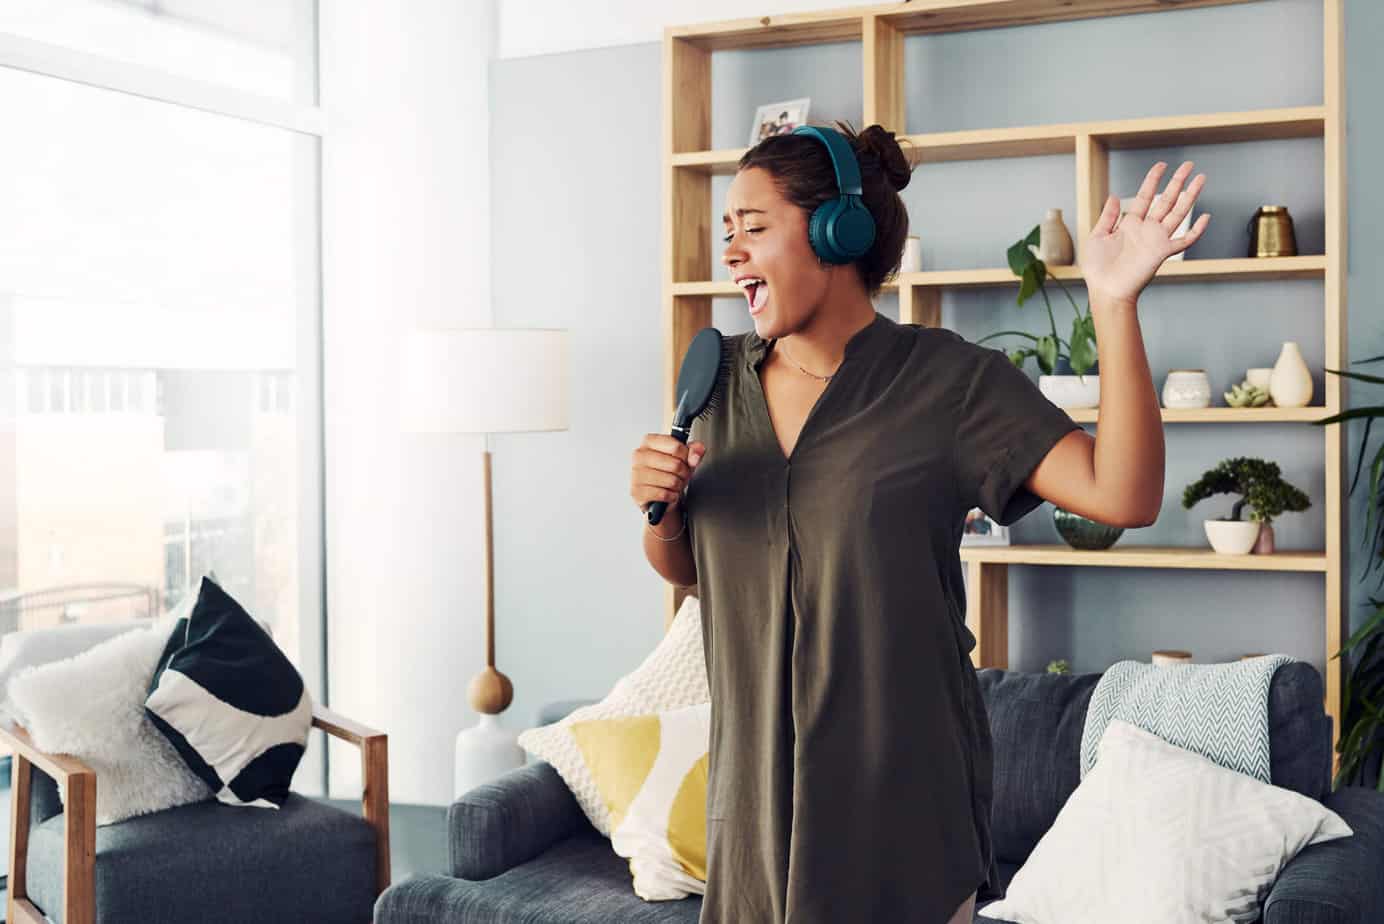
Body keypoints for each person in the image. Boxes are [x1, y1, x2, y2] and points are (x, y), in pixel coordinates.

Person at [629, 120, 1208, 923]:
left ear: (840, 231)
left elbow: (1124, 495)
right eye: (727, 232)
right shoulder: (714, 383)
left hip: (902, 819)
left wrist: (1113, 301)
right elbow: (696, 567)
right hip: (754, 820)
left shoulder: (951, 382)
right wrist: (659, 514)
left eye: (753, 229)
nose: (730, 253)